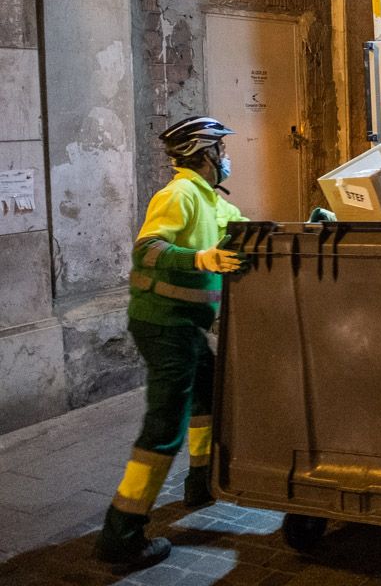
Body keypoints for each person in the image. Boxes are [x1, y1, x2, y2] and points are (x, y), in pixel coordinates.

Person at [94, 116, 249, 570]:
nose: (226, 157)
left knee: (207, 395)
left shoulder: (209, 199)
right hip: (163, 324)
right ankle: (121, 534)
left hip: (185, 324)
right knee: (164, 427)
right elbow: (148, 249)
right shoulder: (179, 194)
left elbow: (251, 230)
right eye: (221, 150)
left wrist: (313, 226)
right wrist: (202, 258)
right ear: (205, 154)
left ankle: (201, 482)